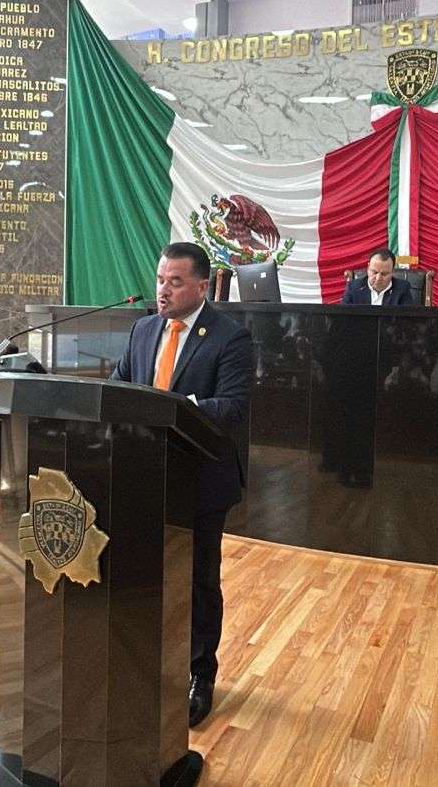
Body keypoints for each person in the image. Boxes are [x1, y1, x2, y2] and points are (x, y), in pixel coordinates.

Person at [110, 242, 252, 728]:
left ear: (201, 285)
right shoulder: (143, 329)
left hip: (200, 479)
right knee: (143, 573)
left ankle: (199, 675)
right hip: (142, 475)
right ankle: (147, 662)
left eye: (174, 282)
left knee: (198, 581)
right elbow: (120, 386)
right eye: (159, 280)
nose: (163, 290)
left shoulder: (230, 337)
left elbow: (231, 407)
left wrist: (174, 409)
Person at [339, 248, 418, 306]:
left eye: (384, 274)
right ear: (368, 267)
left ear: (392, 271)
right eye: (374, 272)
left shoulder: (402, 288)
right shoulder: (353, 287)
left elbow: (407, 321)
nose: (378, 278)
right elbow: (343, 318)